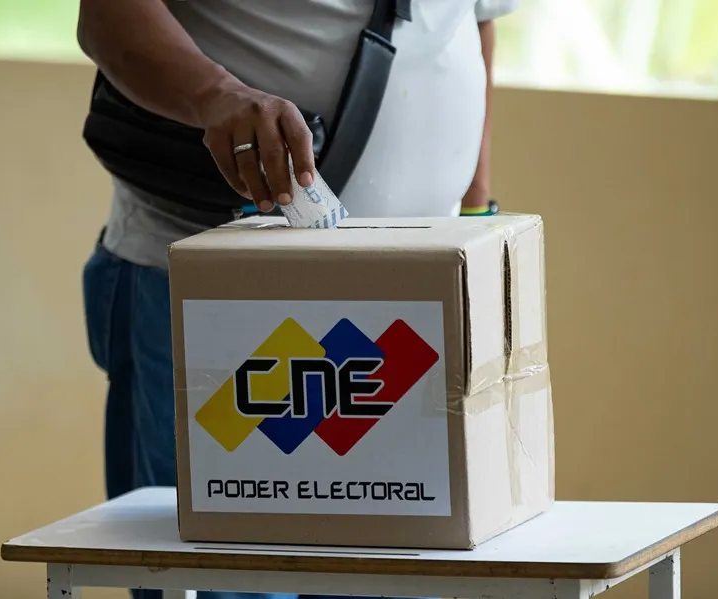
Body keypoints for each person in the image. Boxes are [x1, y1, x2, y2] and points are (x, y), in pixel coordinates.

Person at [78, 1, 517, 599]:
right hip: (216, 298)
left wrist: (476, 216)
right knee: (227, 575)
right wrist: (218, 96)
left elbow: (472, 21)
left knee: (393, 573)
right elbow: (110, 14)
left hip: (410, 305)